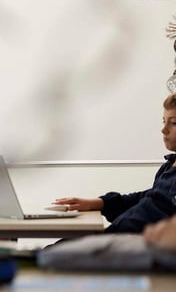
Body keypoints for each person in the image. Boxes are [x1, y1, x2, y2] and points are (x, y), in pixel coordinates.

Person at [53, 92, 176, 233]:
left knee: (48, 254)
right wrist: (99, 203)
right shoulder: (167, 167)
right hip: (115, 236)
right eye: (163, 121)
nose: (163, 130)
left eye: (173, 123)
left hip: (131, 245)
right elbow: (145, 198)